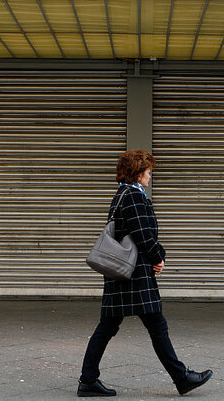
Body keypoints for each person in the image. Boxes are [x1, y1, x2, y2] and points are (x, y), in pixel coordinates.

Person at [78, 149, 212, 397]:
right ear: (139, 173)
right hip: (134, 276)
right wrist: (158, 256)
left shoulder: (123, 194)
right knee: (155, 325)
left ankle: (88, 380)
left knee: (110, 327)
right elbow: (142, 234)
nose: (150, 177)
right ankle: (181, 378)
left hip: (125, 275)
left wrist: (155, 255)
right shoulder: (132, 196)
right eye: (149, 172)